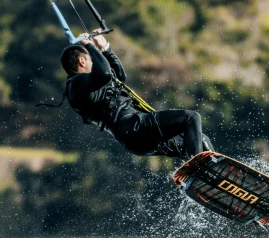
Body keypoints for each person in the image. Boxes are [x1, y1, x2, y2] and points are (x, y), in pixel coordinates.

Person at [60, 30, 212, 160]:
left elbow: (118, 76)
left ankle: (212, 177)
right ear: (81, 61)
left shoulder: (90, 84)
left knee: (199, 140)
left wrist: (105, 48)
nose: (94, 62)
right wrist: (89, 45)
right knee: (191, 117)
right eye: (91, 60)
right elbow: (105, 72)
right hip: (135, 127)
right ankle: (197, 166)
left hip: (137, 137)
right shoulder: (76, 85)